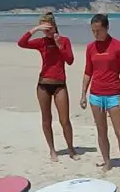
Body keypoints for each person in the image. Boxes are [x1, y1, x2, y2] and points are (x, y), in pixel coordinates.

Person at [80, 14, 120, 179]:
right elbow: (87, 72)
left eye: (98, 30)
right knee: (101, 131)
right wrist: (83, 94)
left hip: (114, 94)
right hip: (96, 95)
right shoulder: (91, 48)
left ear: (107, 28)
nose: (96, 34)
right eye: (93, 31)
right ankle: (107, 162)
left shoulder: (119, 46)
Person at [17, 12, 78, 162]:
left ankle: (71, 148)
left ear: (54, 26)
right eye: (43, 28)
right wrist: (35, 29)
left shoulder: (64, 40)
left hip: (59, 85)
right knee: (46, 119)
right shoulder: (41, 42)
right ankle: (52, 150)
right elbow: (21, 43)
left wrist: (59, 44)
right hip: (43, 84)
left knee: (65, 120)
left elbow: (70, 60)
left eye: (48, 27)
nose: (46, 31)